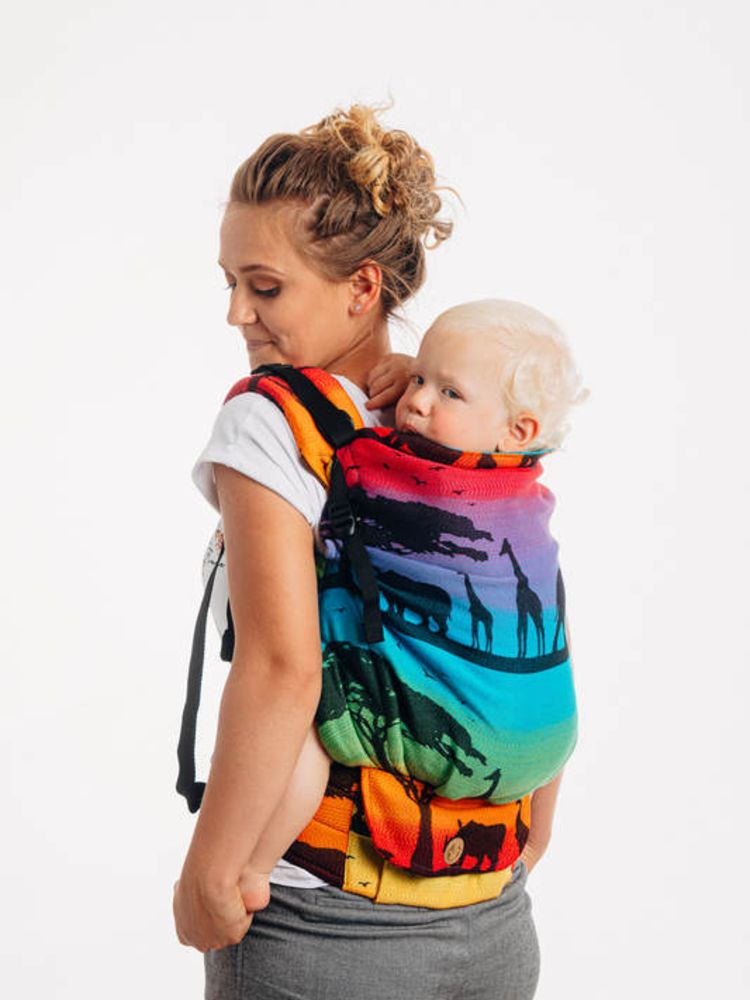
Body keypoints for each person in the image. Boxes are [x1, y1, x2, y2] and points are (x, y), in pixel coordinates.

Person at [174, 104, 561, 1000]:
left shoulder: (272, 421)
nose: (237, 313)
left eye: (265, 287)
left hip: (325, 921)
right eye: (229, 283)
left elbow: (282, 669)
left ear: (363, 286)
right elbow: (532, 612)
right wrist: (536, 831)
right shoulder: (462, 413)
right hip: (495, 911)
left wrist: (211, 874)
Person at [218, 298, 583, 919]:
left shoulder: (408, 473)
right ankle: (532, 845)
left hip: (459, 746)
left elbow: (363, 465)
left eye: (448, 392)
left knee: (305, 706)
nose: (415, 403)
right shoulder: (525, 494)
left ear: (519, 431)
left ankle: (250, 868)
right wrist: (427, 375)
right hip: (546, 743)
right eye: (418, 380)